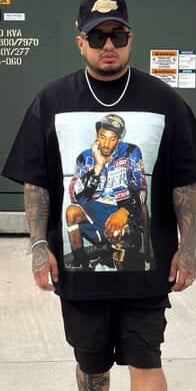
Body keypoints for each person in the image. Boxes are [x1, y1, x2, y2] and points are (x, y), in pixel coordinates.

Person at [2, 0, 196, 391]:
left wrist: (188, 249)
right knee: (91, 362)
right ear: (80, 43)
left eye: (117, 35)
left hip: (145, 265)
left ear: (130, 39)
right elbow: (39, 184)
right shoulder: (53, 101)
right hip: (81, 270)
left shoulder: (164, 102)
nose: (108, 45)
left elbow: (185, 182)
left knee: (147, 358)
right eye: (97, 36)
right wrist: (38, 246)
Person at [65, 112, 152, 272]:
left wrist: (124, 211)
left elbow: (141, 188)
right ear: (96, 135)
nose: (106, 144)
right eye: (102, 137)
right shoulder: (84, 157)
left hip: (121, 207)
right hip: (95, 208)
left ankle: (128, 256)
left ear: (119, 139)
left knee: (123, 246)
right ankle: (81, 263)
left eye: (112, 139)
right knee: (71, 212)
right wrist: (98, 167)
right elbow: (77, 196)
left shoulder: (131, 152)